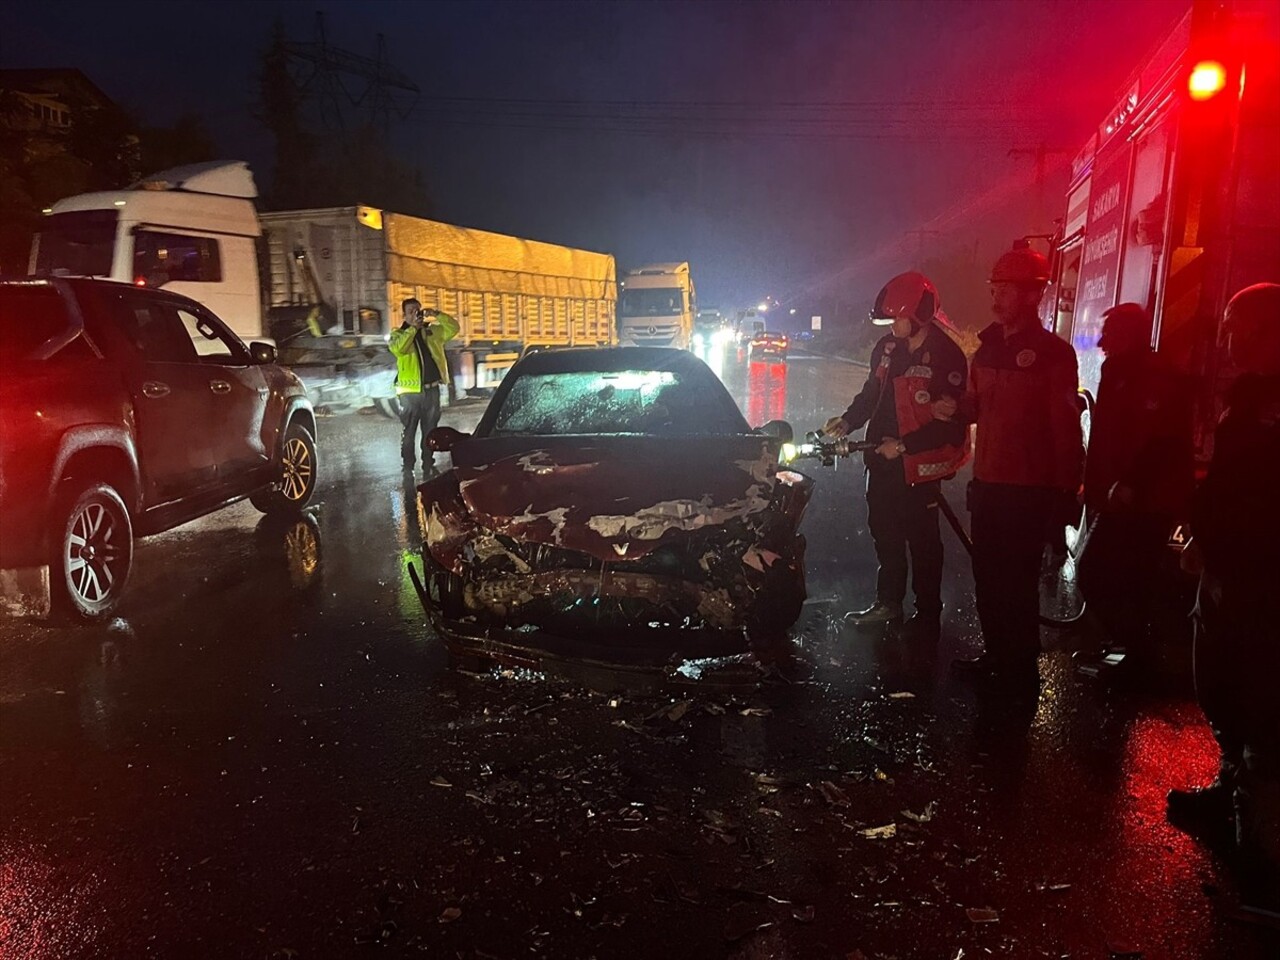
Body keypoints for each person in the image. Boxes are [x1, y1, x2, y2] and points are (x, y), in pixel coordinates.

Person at [1167, 282, 1280, 891]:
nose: (1228, 341)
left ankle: (1260, 847)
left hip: (1263, 580)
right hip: (1226, 572)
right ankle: (1228, 792)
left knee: (1263, 702)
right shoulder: (1248, 395)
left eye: (1239, 329)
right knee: (1220, 684)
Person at [952, 242, 1083, 696]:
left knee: (1018, 586)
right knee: (988, 581)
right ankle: (998, 657)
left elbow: (1065, 431)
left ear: (1032, 295)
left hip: (1028, 493)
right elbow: (971, 408)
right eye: (995, 287)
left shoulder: (1053, 354)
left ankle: (1020, 673)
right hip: (988, 486)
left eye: (1005, 289)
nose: (996, 297)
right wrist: (948, 407)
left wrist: (1064, 498)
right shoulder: (985, 351)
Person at [823, 271, 969, 643]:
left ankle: (927, 611)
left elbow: (951, 424)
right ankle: (888, 602)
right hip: (882, 461)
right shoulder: (886, 350)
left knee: (923, 541)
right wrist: (848, 421)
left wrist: (903, 446)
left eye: (898, 318)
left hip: (918, 465)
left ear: (918, 315)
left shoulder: (946, 356)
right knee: (884, 532)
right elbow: (872, 394)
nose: (892, 325)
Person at [1077, 303, 1194, 674]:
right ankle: (1125, 651)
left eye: (1109, 333)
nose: (1100, 342)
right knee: (1123, 577)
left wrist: (1128, 484)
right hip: (1123, 497)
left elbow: (1160, 439)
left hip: (1144, 501)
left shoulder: (1153, 376)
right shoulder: (1123, 371)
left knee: (1098, 571)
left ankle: (1136, 655)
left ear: (1129, 335)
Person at [388, 298, 460, 473]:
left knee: (430, 430)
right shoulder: (398, 334)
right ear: (404, 315)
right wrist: (413, 328)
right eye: (411, 311)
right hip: (410, 393)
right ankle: (408, 465)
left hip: (431, 390)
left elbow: (454, 328)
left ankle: (428, 461)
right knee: (409, 431)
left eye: (418, 310)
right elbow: (399, 349)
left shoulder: (431, 332)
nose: (415, 313)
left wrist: (436, 314)